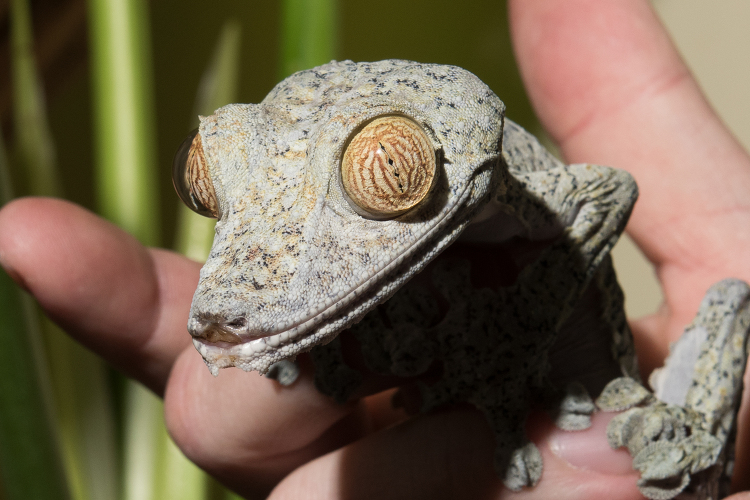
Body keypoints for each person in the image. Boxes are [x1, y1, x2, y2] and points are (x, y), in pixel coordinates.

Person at [2, 0, 749, 498]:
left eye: (390, 172)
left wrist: (510, 331)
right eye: (204, 180)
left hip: (622, 398)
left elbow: (606, 191)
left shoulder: (518, 190)